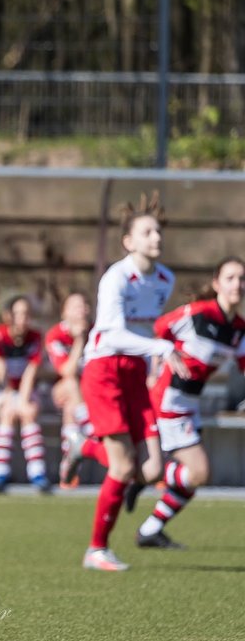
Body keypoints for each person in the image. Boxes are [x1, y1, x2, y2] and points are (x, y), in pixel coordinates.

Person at [77, 191, 188, 572]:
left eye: (157, 231)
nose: (156, 238)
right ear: (129, 242)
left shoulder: (164, 279)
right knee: (123, 469)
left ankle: (86, 446)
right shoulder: (116, 279)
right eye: (147, 232)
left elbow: (142, 330)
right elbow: (111, 335)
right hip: (104, 370)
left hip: (135, 373)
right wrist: (160, 346)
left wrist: (154, 356)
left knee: (152, 470)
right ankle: (96, 550)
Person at [136, 256, 245, 548]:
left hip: (190, 405)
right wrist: (156, 364)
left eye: (242, 279)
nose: (238, 284)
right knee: (197, 472)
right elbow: (155, 331)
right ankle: (139, 475)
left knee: (193, 479)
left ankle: (150, 529)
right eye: (231, 278)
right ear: (216, 283)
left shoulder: (238, 329)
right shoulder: (198, 314)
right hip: (168, 399)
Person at [0, 295, 52, 493]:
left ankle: (37, 473)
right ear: (8, 315)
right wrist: (11, 396)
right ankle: (0, 473)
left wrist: (21, 398)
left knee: (28, 411)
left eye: (27, 314)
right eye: (18, 313)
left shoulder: (36, 337)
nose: (23, 318)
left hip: (24, 391)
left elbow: (31, 372)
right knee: (8, 411)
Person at [44, 291, 94, 487]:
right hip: (58, 391)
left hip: (85, 395)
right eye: (76, 306)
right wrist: (80, 340)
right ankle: (90, 427)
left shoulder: (97, 332)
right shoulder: (55, 335)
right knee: (72, 384)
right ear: (64, 312)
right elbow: (67, 371)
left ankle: (68, 470)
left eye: (84, 305)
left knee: (71, 406)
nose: (82, 310)